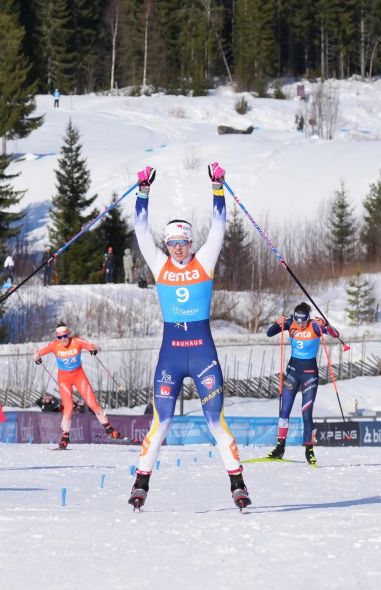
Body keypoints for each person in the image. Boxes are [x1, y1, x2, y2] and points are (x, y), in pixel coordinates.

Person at [128, 163, 249, 510]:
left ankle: (237, 484)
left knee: (216, 422)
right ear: (166, 245)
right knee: (160, 422)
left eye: (182, 242)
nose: (177, 248)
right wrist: (143, 191)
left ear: (191, 242)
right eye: (172, 243)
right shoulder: (159, 265)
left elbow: (220, 226)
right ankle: (140, 484)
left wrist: (216, 186)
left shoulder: (205, 261)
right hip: (171, 354)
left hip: (202, 353)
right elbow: (139, 229)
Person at [265, 302, 339, 466]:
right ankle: (280, 447)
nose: (300, 325)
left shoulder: (315, 325)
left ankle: (309, 450)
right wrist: (277, 324)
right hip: (292, 372)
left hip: (309, 375)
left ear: (308, 318)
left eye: (302, 322)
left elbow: (335, 334)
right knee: (285, 410)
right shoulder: (290, 322)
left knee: (307, 413)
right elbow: (270, 333)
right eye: (297, 322)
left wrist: (326, 324)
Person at [34, 322, 124, 449]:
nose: (63, 339)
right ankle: (65, 438)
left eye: (64, 336)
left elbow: (97, 347)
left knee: (93, 404)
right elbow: (36, 353)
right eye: (60, 337)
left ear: (68, 334)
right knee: (68, 408)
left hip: (79, 376)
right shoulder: (54, 345)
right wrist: (37, 358)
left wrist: (94, 350)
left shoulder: (77, 342)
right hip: (64, 379)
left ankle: (110, 430)